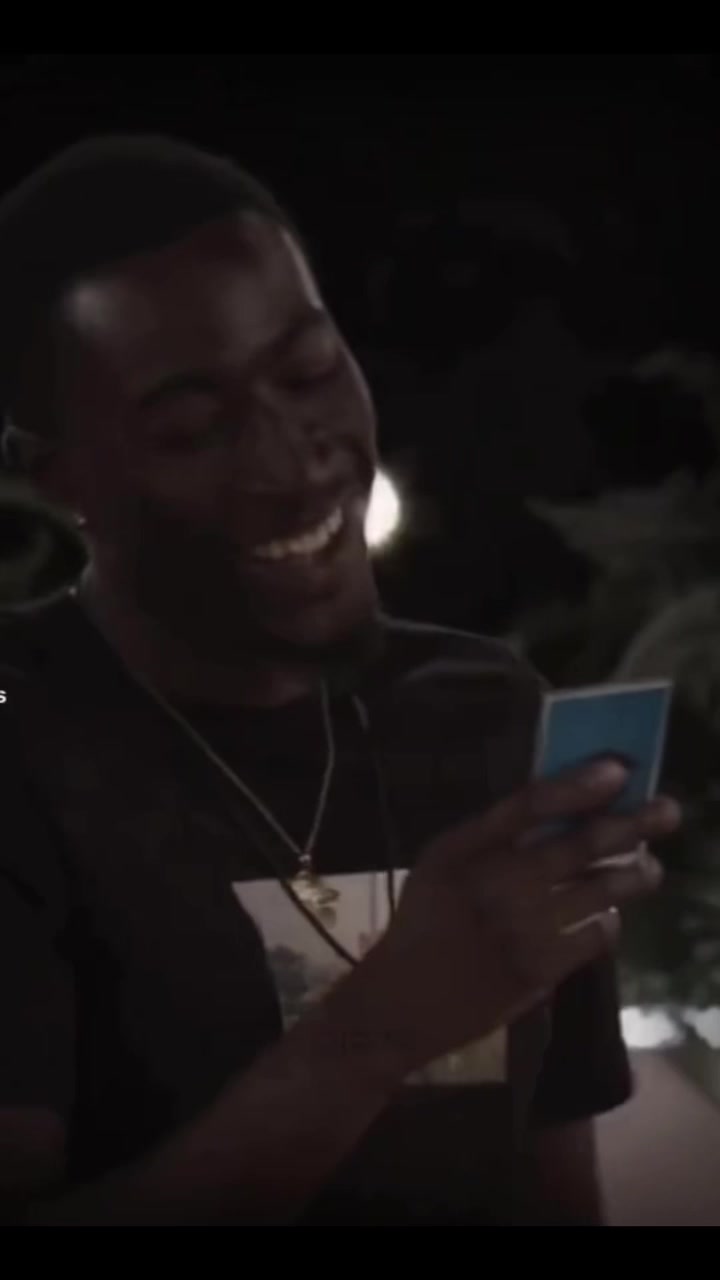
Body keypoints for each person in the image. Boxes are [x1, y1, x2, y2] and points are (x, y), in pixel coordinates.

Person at [0, 136, 680, 1227]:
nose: (293, 459)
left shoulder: (487, 712)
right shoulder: (25, 739)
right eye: (193, 427)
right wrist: (381, 1026)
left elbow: (554, 1181)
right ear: (60, 478)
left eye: (310, 370)